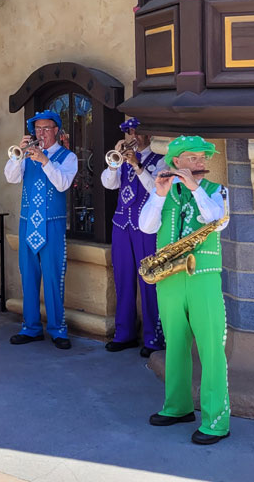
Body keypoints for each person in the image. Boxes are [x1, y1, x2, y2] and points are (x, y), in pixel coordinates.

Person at [139, 135, 230, 446]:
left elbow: (216, 220)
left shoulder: (216, 191)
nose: (200, 163)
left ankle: (216, 421)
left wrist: (194, 187)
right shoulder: (161, 190)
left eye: (203, 158)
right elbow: (146, 226)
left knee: (211, 349)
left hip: (203, 276)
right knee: (175, 345)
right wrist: (160, 194)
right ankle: (177, 407)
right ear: (176, 162)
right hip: (169, 278)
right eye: (193, 158)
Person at [4, 110, 78, 349]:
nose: (41, 134)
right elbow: (11, 178)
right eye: (37, 129)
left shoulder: (68, 157)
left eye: (46, 129)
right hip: (28, 223)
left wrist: (45, 161)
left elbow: (63, 184)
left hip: (52, 224)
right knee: (28, 276)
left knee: (54, 277)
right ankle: (31, 327)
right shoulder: (25, 155)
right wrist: (18, 155)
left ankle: (58, 329)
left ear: (56, 130)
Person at [100, 118, 165, 357]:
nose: (132, 137)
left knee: (150, 282)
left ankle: (153, 338)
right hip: (121, 226)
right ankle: (124, 333)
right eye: (129, 133)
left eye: (137, 132)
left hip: (147, 229)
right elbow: (108, 184)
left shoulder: (160, 160)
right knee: (123, 280)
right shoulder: (123, 159)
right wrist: (115, 163)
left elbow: (156, 190)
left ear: (149, 135)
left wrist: (138, 166)